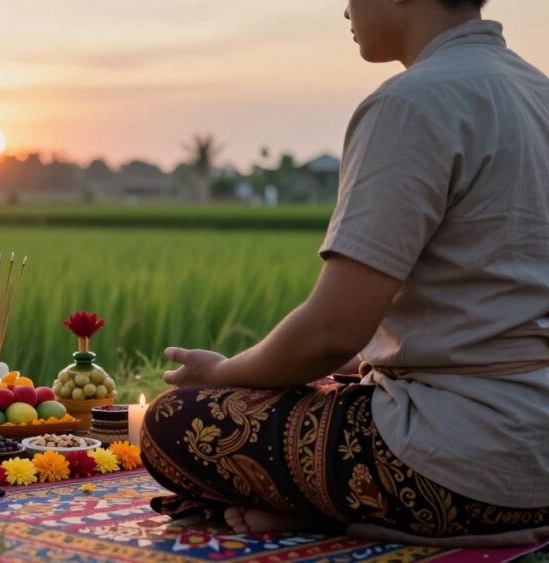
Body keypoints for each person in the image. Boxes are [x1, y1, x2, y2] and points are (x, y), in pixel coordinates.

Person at [142, 0, 549, 546]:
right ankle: (330, 512)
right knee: (342, 381)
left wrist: (223, 373)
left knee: (174, 421)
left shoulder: (411, 102)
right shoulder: (537, 92)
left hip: (463, 467)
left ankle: (355, 516)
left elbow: (331, 333)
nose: (345, 8)